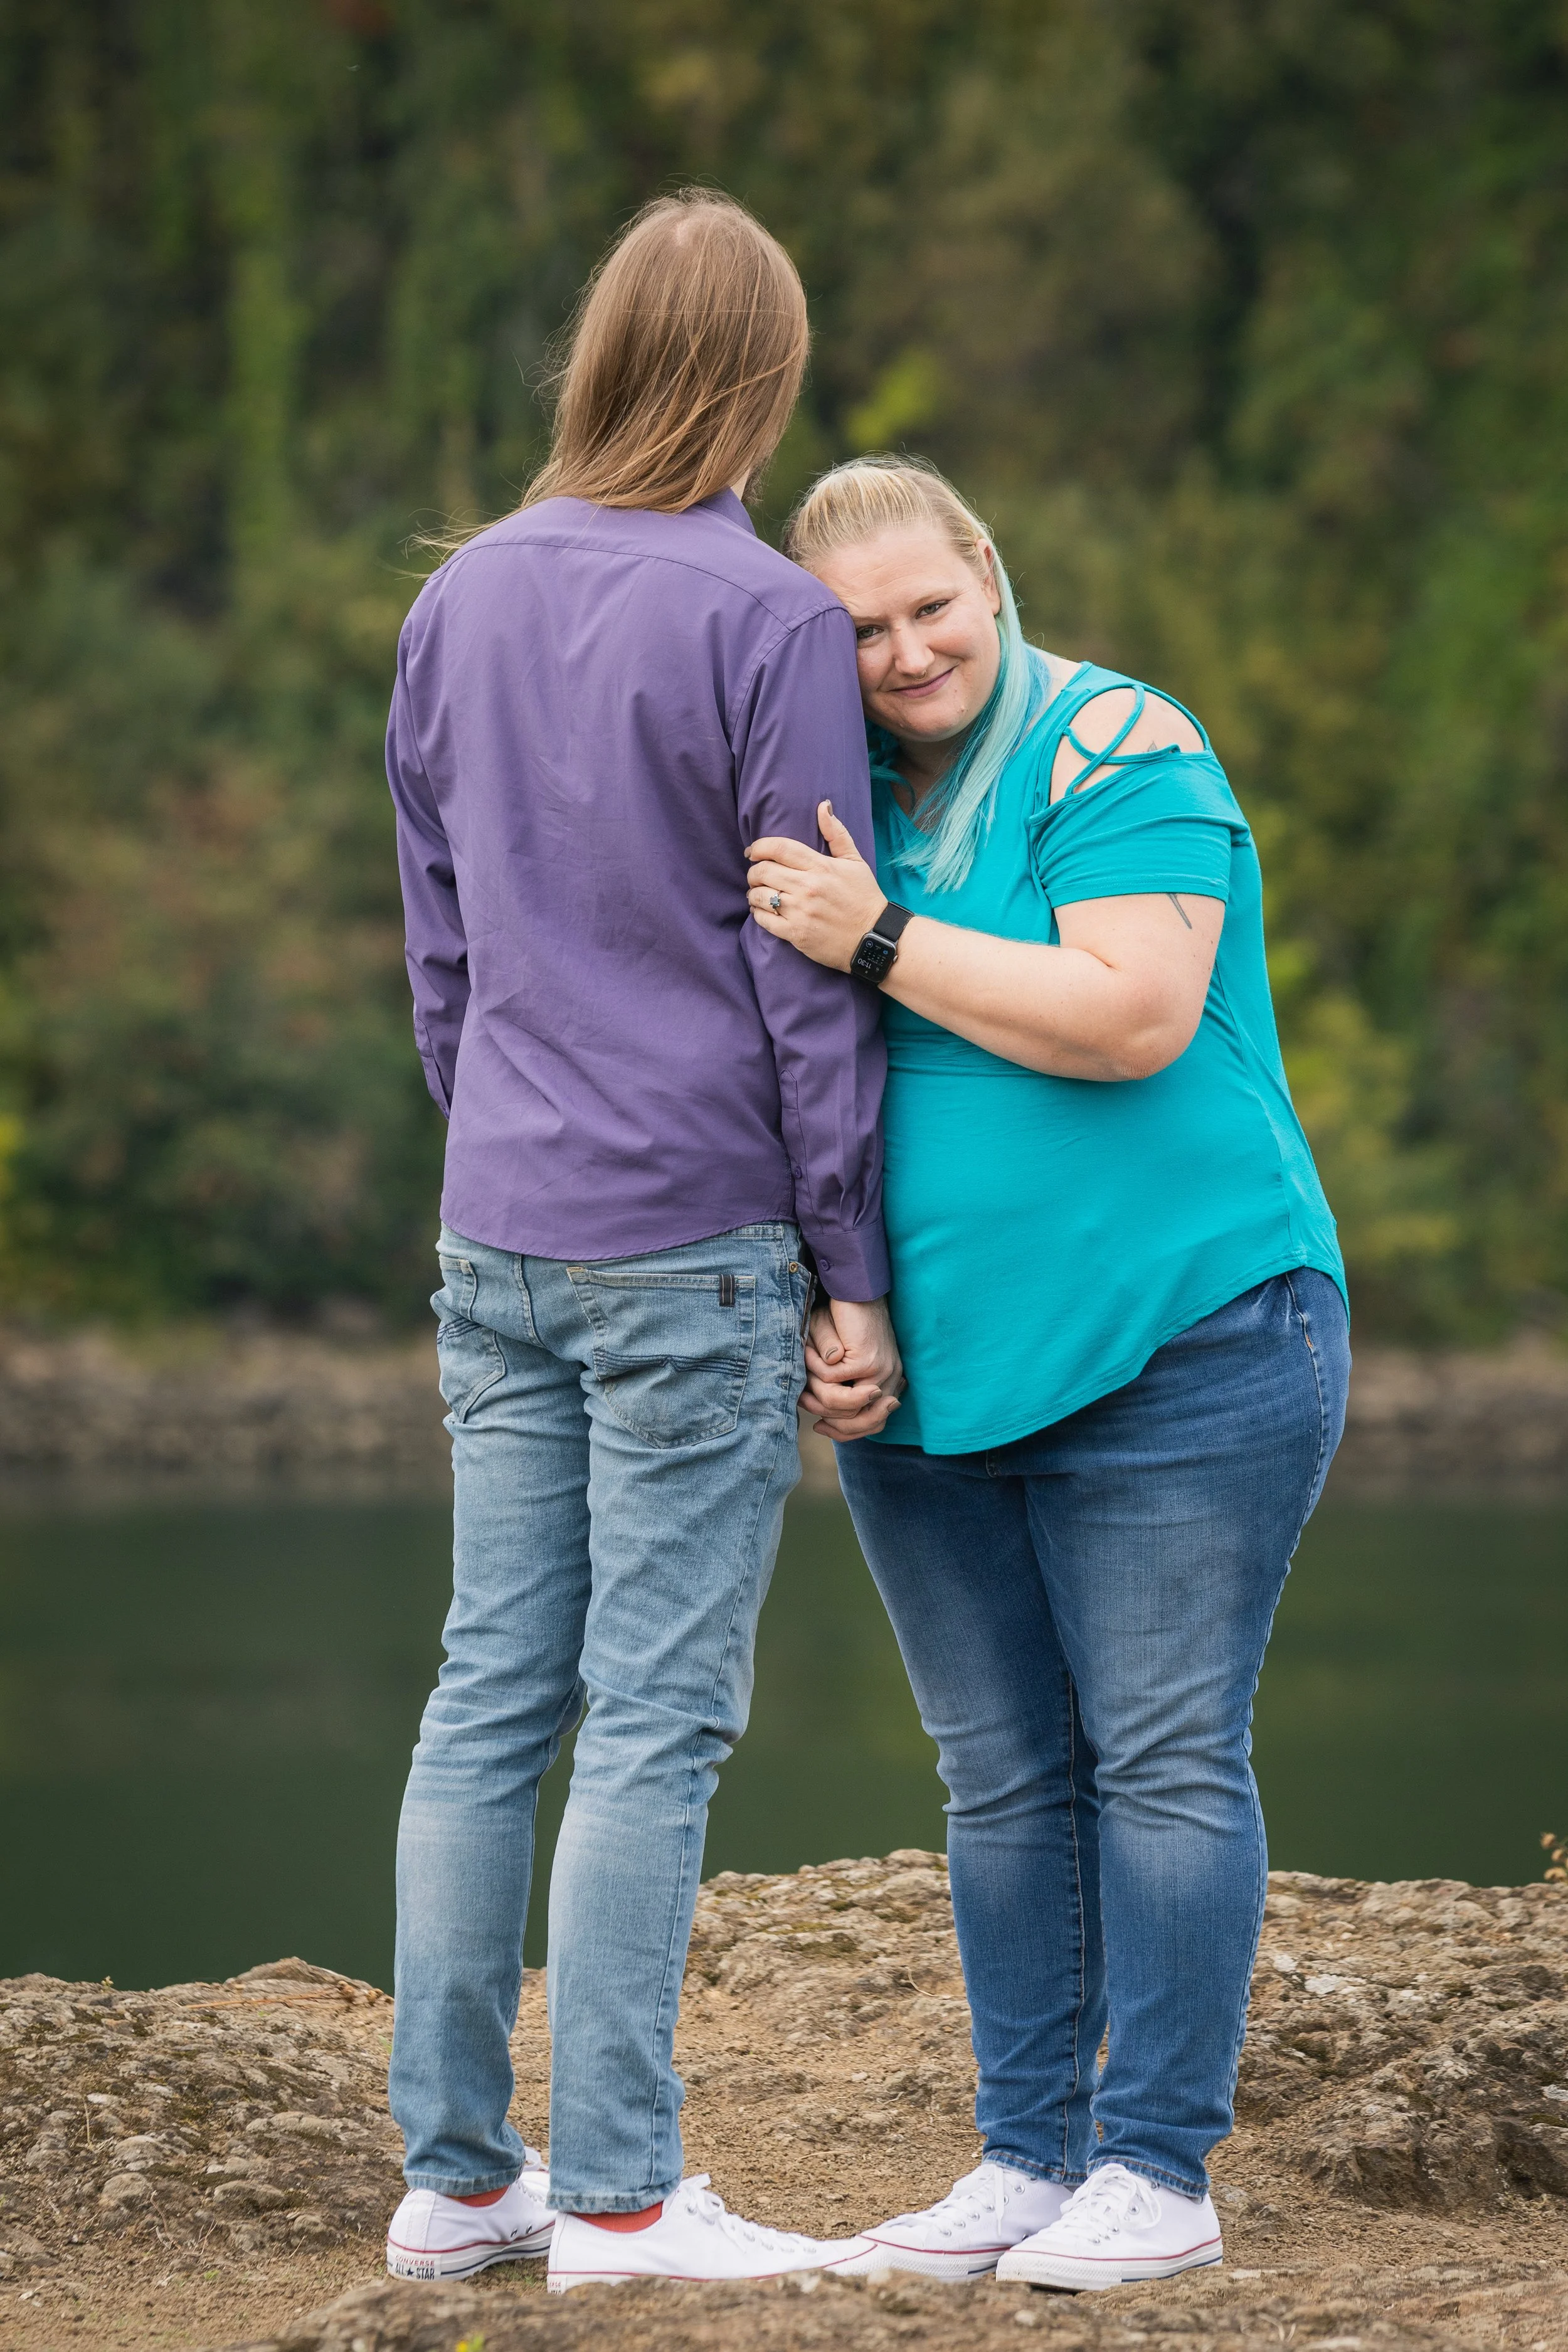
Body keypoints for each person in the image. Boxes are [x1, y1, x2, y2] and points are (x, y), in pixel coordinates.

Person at [744, 458, 1349, 2292]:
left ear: (988, 579)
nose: (906, 647)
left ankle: (1155, 2169)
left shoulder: (1116, 747)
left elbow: (1132, 1013)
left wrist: (876, 938)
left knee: (1159, 1761)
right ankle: (1026, 2157)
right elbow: (769, 1072)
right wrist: (815, 1297)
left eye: (932, 602)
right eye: (857, 627)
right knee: (1001, 1774)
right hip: (927, 1382)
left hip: (1188, 1337)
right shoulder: (815, 792)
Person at [381, 194, 897, 2294]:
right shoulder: (767, 617)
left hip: (496, 1217)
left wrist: (500, 1127)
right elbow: (805, 972)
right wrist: (846, 1261)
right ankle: (615, 2193)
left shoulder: (459, 598)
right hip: (692, 1232)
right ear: (761, 378)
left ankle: (455, 2181)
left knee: (489, 1691)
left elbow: (438, 940)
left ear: (595, 358)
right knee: (656, 1714)